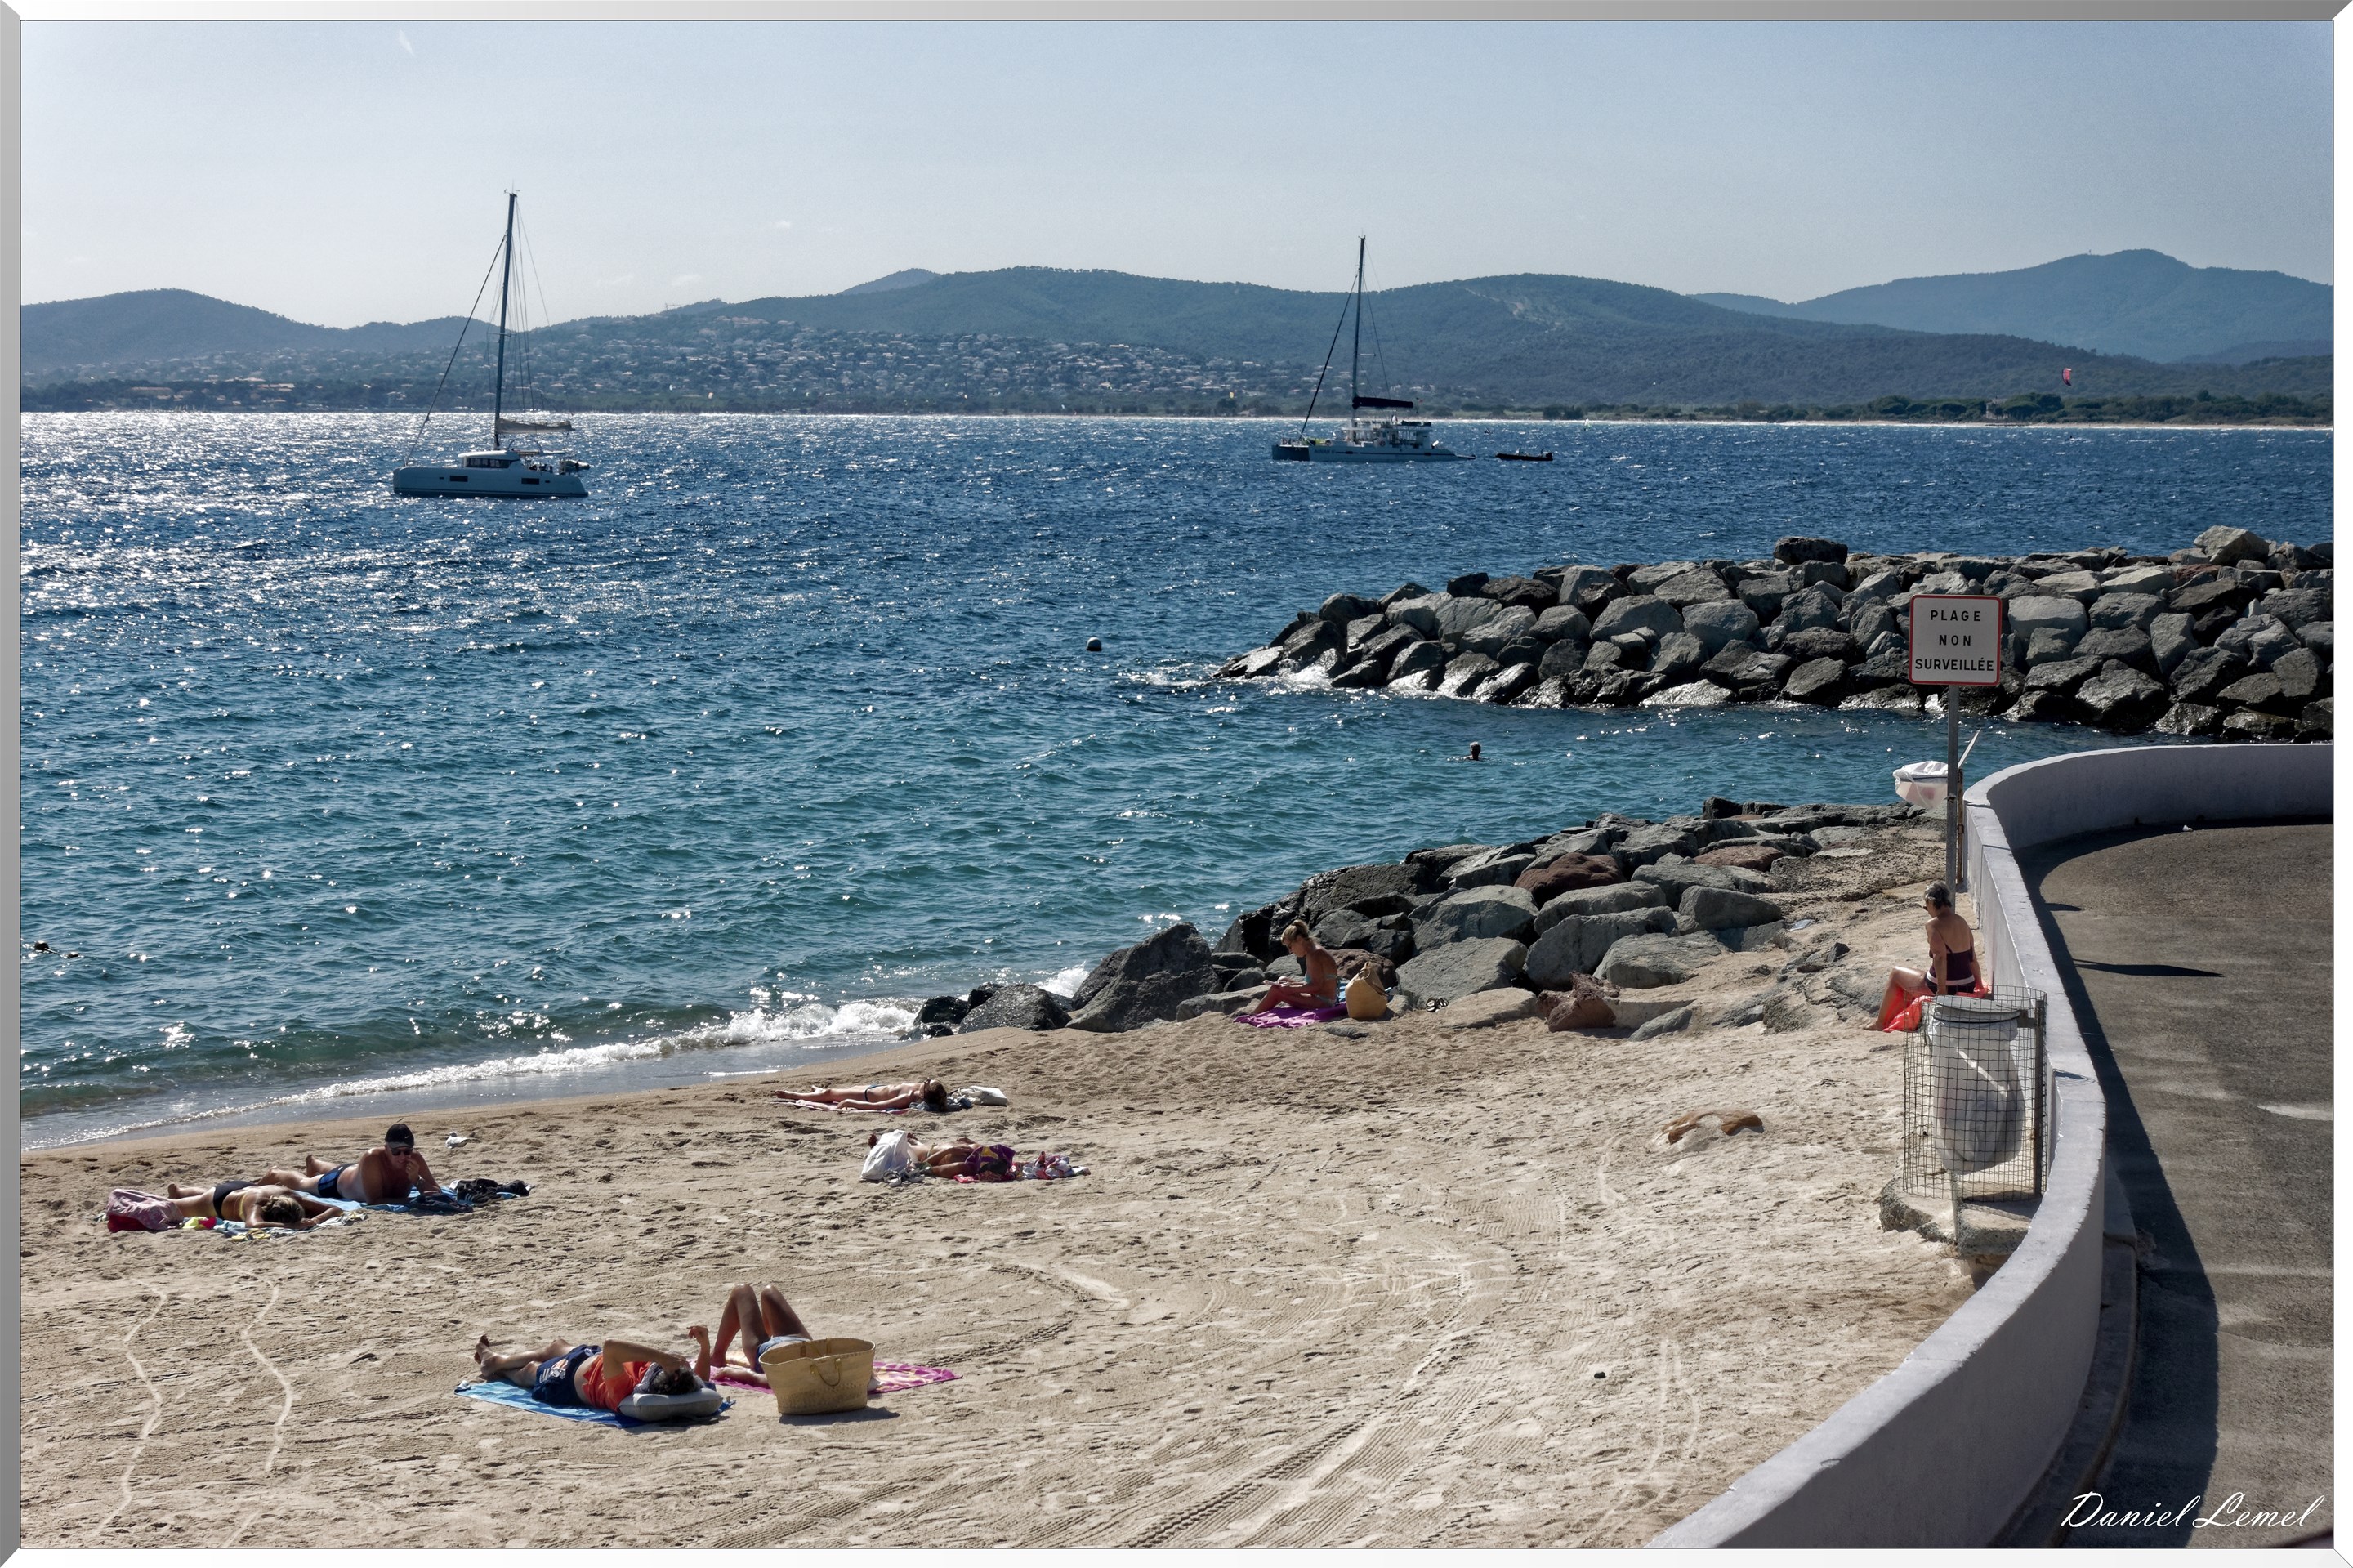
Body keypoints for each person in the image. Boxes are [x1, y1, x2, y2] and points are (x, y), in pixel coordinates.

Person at [472, 1325, 712, 1412]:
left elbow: (611, 1347)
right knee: (556, 1345)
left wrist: (663, 1356)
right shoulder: (663, 1379)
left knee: (529, 1373)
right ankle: (497, 1361)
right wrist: (704, 1347)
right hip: (592, 1360)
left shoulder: (626, 1391)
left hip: (567, 1379)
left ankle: (495, 1366)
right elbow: (699, 1381)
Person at [1876, 882, 1981, 1029]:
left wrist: (1942, 991)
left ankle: (1880, 1023)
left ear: (1932, 902)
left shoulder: (1933, 924)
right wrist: (1979, 985)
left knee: (1896, 973)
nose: (1927, 910)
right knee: (1916, 975)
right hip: (1967, 985)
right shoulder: (1962, 921)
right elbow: (1973, 957)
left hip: (1944, 986)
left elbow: (1940, 957)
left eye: (1926, 906)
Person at [262, 1124, 440, 1204]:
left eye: (407, 1151)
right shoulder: (372, 1158)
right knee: (303, 1184)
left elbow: (436, 1192)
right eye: (396, 1152)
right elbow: (374, 1201)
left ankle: (314, 1163)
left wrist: (417, 1180)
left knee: (345, 1170)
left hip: (354, 1173)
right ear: (386, 1149)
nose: (402, 1157)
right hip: (338, 1183)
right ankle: (276, 1172)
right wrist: (412, 1200)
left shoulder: (414, 1158)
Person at [709, 1284, 818, 1384]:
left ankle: (717, 1354)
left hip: (767, 1351)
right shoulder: (821, 1373)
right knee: (769, 1292)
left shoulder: (790, 1378)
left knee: (741, 1291)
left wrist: (728, 1372)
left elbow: (757, 1378)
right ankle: (764, 1335)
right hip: (800, 1341)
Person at [159, 1179, 342, 1229]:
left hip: (244, 1187)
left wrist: (317, 1219)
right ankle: (177, 1196)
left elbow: (335, 1209)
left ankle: (181, 1191)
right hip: (217, 1201)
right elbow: (252, 1224)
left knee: (199, 1195)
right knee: (172, 1205)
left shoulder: (292, 1197)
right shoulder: (257, 1205)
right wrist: (290, 1225)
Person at [865, 1132, 1019, 1180]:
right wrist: (971, 1142)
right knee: (915, 1144)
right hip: (935, 1146)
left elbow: (924, 1167)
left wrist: (947, 1152)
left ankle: (877, 1147)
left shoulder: (966, 1166)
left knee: (907, 1147)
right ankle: (916, 1141)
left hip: (928, 1154)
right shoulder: (989, 1153)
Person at [1260, 920, 1341, 1011]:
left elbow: (1317, 986)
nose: (1290, 951)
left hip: (1325, 1002)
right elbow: (1314, 983)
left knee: (1276, 991)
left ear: (1299, 939)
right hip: (1318, 996)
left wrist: (1291, 989)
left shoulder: (1315, 955)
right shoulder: (1311, 951)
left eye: (1289, 946)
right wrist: (1290, 985)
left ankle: (1254, 1015)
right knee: (1282, 980)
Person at [778, 1079, 950, 1112]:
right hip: (873, 1088)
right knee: (840, 1090)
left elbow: (878, 1107)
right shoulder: (919, 1090)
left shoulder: (908, 1097)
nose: (924, 1081)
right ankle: (817, 1092)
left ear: (924, 1092)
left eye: (927, 1082)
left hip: (868, 1096)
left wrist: (850, 1102)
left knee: (831, 1094)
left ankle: (793, 1095)